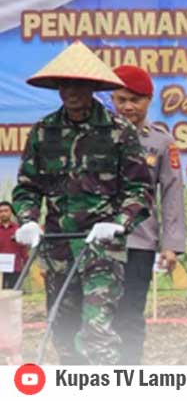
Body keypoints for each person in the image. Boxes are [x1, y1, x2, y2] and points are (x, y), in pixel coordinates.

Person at [12, 41, 152, 364]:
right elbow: (26, 188)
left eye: (78, 84)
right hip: (59, 248)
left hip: (102, 249)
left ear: (92, 87)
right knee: (63, 333)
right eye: (64, 85)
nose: (71, 92)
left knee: (98, 331)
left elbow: (140, 190)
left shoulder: (119, 133)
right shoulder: (44, 132)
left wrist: (117, 223)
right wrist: (29, 219)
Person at [110, 65, 186, 364]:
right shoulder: (98, 135)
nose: (128, 106)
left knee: (129, 315)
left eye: (136, 99)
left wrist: (171, 244)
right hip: (98, 243)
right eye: (121, 99)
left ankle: (130, 378)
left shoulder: (161, 142)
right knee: (93, 316)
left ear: (149, 100)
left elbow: (171, 192)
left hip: (138, 243)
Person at [0, 201, 26, 289]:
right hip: (0, 271)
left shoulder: (18, 230)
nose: (3, 213)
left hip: (15, 269)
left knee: (14, 295)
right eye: (1, 211)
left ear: (11, 212)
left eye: (6, 211)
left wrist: (26, 265)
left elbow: (24, 249)